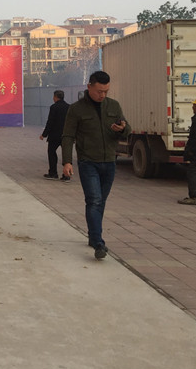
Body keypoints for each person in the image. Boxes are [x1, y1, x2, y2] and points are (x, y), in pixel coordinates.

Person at [61, 71, 130, 260]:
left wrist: (122, 129)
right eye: (99, 91)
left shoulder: (113, 106)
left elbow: (127, 130)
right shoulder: (76, 109)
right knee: (94, 200)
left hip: (109, 162)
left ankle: (93, 237)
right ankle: (99, 242)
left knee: (100, 201)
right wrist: (67, 161)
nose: (102, 95)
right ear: (89, 87)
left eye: (106, 91)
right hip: (88, 162)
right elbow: (68, 136)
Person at [39, 90, 70, 181]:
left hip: (55, 135)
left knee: (51, 152)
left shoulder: (54, 107)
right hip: (66, 135)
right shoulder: (69, 107)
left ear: (56, 97)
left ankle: (53, 173)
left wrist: (44, 134)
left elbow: (50, 122)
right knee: (66, 154)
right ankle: (66, 175)